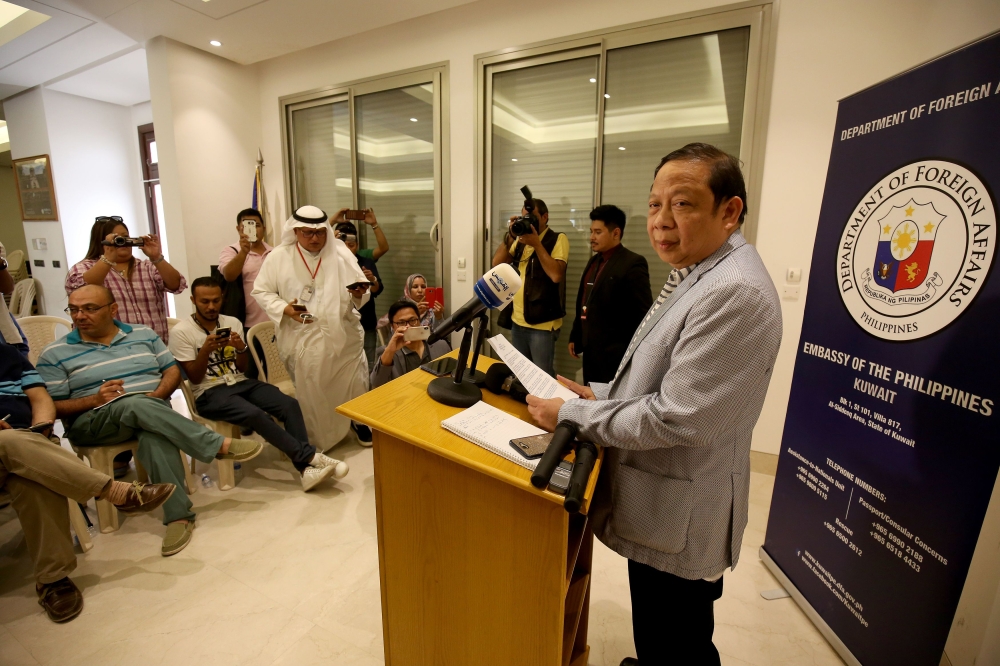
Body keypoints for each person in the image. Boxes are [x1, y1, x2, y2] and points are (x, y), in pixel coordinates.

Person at [525, 143, 782, 666]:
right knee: (661, 630)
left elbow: (678, 416)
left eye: (683, 204)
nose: (662, 221)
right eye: (655, 204)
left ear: (729, 211)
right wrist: (596, 395)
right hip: (663, 496)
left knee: (678, 638)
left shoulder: (735, 292)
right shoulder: (701, 268)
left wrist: (573, 414)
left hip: (682, 508)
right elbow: (660, 373)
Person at [36, 285, 263, 557]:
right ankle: (215, 445)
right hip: (93, 422)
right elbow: (50, 406)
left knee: (153, 432)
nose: (80, 315)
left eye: (89, 308)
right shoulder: (55, 353)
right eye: (74, 309)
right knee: (134, 403)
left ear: (112, 309)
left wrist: (155, 397)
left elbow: (171, 371)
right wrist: (93, 400)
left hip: (149, 411)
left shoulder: (143, 334)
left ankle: (179, 518)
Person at [0, 339, 175, 623]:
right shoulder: (57, 352)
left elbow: (39, 397)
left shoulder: (6, 352)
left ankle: (52, 580)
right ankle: (116, 492)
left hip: (26, 445)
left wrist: (41, 428)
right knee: (6, 441)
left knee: (31, 478)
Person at [169, 277, 348, 491]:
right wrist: (206, 351)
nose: (211, 306)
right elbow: (195, 378)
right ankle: (309, 457)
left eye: (216, 301)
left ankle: (305, 469)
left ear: (222, 298)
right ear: (193, 300)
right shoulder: (182, 332)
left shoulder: (232, 322)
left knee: (289, 404)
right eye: (204, 301)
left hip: (240, 382)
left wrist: (241, 348)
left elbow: (242, 368)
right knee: (254, 415)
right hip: (208, 393)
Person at [251, 205, 372, 452]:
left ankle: (358, 422)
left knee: (355, 381)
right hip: (302, 336)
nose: (315, 238)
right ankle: (320, 437)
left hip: (344, 333)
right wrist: (285, 309)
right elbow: (261, 291)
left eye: (320, 233)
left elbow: (363, 289)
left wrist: (359, 293)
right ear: (295, 231)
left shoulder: (340, 254)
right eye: (308, 233)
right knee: (315, 392)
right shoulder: (278, 257)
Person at [66, 216, 187, 342]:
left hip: (153, 345)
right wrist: (108, 258)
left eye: (125, 236)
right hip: (109, 348)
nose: (122, 242)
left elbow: (176, 285)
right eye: (116, 238)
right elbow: (84, 291)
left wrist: (156, 256)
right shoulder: (83, 268)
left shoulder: (147, 266)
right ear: (101, 241)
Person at [568, 205, 652, 385]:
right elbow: (584, 301)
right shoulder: (594, 260)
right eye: (591, 231)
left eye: (598, 232)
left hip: (615, 354)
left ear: (616, 233)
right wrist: (575, 335)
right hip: (590, 349)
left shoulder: (633, 263)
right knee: (589, 395)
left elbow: (643, 314)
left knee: (608, 402)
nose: (591, 237)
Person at [491, 197, 568, 377]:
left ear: (545, 217)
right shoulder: (520, 240)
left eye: (531, 217)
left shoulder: (557, 239)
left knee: (543, 376)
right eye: (524, 217)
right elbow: (497, 264)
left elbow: (556, 275)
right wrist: (511, 235)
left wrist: (537, 244)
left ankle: (549, 405)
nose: (528, 221)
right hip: (518, 321)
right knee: (522, 374)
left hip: (542, 325)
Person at [333, 216, 383, 373]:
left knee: (368, 364)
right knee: (344, 366)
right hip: (340, 323)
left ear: (357, 245)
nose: (348, 249)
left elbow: (378, 290)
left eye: (352, 245)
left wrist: (372, 279)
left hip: (366, 320)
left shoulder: (365, 262)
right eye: (343, 244)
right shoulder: (329, 263)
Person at [370, 299, 451, 389]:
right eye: (401, 322)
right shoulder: (386, 353)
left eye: (412, 320)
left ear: (419, 320)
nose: (408, 326)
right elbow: (376, 383)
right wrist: (390, 351)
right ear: (392, 326)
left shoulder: (440, 345)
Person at [219, 208, 273, 330]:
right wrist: (243, 252)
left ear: (264, 229)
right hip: (244, 323)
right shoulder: (231, 251)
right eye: (247, 226)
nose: (253, 229)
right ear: (238, 229)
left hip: (275, 321)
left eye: (257, 225)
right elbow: (229, 275)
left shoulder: (274, 252)